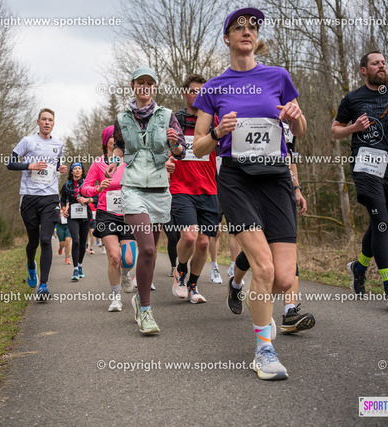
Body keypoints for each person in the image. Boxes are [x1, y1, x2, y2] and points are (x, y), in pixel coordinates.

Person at [193, 8, 307, 380]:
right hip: (237, 178)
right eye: (239, 26)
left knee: (284, 279)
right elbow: (198, 147)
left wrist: (295, 117)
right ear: (227, 38)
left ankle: (240, 286)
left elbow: (300, 130)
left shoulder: (278, 76)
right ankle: (264, 350)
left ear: (256, 38)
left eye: (253, 26)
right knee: (265, 268)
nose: (247, 30)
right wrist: (218, 133)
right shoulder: (213, 88)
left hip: (275, 177)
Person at [331, 50, 388, 310]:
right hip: (366, 165)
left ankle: (359, 268)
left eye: (383, 62)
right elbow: (335, 131)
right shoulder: (353, 98)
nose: (381, 66)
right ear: (363, 70)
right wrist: (354, 128)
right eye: (375, 63)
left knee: (380, 221)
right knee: (381, 221)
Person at [106, 65, 186, 334]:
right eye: (140, 82)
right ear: (133, 86)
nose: (145, 87)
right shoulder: (122, 118)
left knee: (148, 254)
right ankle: (146, 308)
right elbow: (119, 145)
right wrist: (114, 160)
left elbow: (181, 151)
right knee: (149, 249)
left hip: (160, 189)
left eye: (149, 83)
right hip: (133, 188)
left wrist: (174, 144)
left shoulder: (167, 116)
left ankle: (140, 300)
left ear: (154, 87)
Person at [229, 123, 316, 334]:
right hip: (250, 189)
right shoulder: (248, 114)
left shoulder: (289, 121)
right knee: (258, 252)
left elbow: (290, 156)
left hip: (281, 189)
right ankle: (236, 284)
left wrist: (296, 189)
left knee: (286, 250)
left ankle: (289, 311)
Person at [6, 108, 67, 301]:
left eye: (50, 120)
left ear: (53, 123)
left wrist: (60, 168)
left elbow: (55, 164)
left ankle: (44, 285)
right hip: (29, 197)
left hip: (50, 197)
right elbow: (10, 163)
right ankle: (31, 265)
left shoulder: (58, 144)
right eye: (44, 119)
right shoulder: (27, 141)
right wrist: (29, 165)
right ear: (38, 122)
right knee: (33, 242)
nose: (47, 122)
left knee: (46, 240)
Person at [171, 73, 221, 303]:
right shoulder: (175, 119)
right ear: (184, 93)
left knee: (203, 242)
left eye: (203, 91)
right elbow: (164, 149)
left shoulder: (214, 120)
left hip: (209, 188)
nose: (198, 95)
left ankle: (193, 285)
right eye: (193, 91)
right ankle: (180, 271)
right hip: (181, 187)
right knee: (190, 236)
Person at [81, 125, 136, 312]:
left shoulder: (130, 161)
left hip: (128, 213)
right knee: (114, 256)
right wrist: (97, 189)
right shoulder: (98, 163)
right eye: (114, 137)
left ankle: (125, 274)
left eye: (120, 136)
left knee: (128, 260)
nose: (118, 139)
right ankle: (115, 297)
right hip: (107, 214)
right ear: (107, 142)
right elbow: (85, 188)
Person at [60, 162, 96, 281]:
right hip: (72, 216)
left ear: (82, 171)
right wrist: (63, 209)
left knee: (82, 243)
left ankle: (80, 265)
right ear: (71, 171)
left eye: (79, 168)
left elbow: (96, 197)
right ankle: (75, 269)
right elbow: (63, 199)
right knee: (75, 241)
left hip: (85, 216)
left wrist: (87, 200)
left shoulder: (88, 183)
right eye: (74, 168)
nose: (77, 170)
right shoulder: (67, 185)